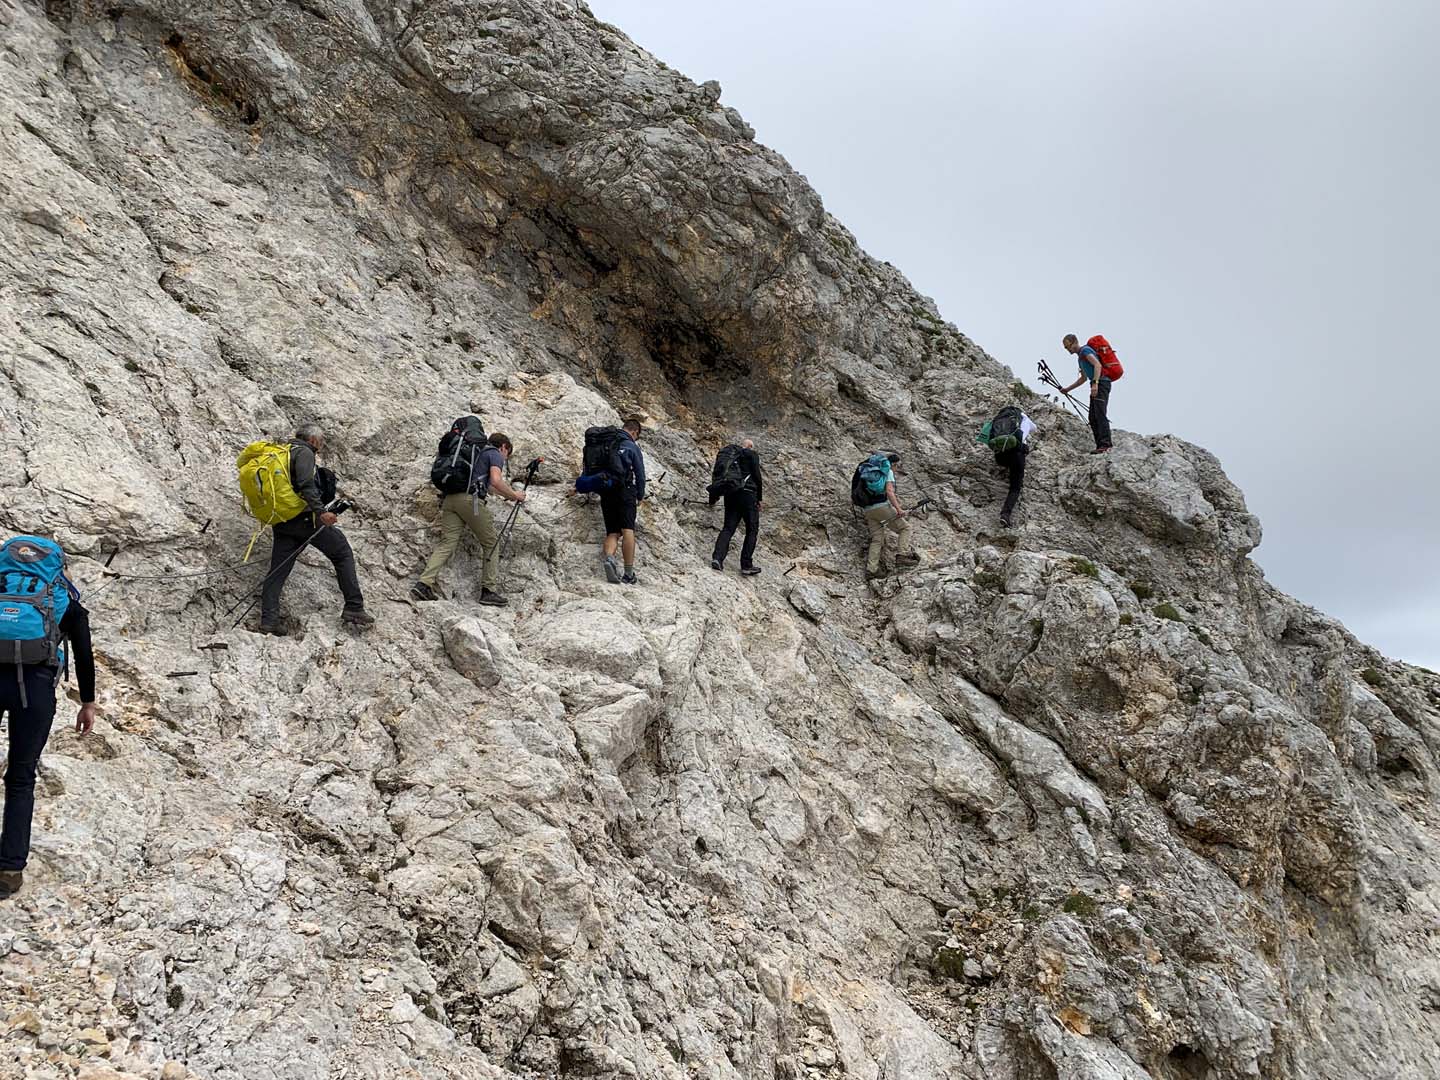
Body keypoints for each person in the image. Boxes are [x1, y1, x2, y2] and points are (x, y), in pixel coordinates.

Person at [0, 536, 97, 900]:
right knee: (21, 777)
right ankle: (9, 869)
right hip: (36, 690)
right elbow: (84, 655)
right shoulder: (62, 600)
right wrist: (87, 703)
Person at [259, 423, 373, 634]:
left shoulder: (283, 453)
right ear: (312, 440)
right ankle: (354, 607)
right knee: (341, 552)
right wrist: (322, 512)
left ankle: (269, 621)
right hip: (305, 520)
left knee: (277, 572)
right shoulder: (304, 452)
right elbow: (306, 484)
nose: (320, 445)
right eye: (320, 442)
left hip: (282, 521)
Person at [411, 432, 526, 607]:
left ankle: (423, 583)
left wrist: (509, 496)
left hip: (451, 499)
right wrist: (516, 494)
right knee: (491, 543)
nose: (505, 458)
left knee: (447, 543)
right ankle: (489, 590)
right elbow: (495, 480)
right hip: (470, 502)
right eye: (507, 454)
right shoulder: (494, 453)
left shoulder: (476, 454)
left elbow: (488, 486)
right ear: (504, 447)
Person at [854, 451, 920, 579]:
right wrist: (899, 509)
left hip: (868, 510)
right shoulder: (887, 471)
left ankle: (871, 570)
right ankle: (902, 555)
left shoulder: (868, 472)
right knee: (905, 528)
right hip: (882, 507)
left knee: (877, 539)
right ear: (893, 464)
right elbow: (889, 492)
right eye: (897, 466)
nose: (896, 469)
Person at [601, 418, 646, 585]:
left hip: (607, 490)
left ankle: (610, 559)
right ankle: (628, 573)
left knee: (612, 532)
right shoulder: (631, 446)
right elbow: (640, 474)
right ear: (634, 432)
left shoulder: (607, 442)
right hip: (625, 491)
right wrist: (640, 495)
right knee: (628, 530)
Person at [709, 439, 763, 576]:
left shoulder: (731, 455)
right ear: (750, 446)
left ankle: (717, 558)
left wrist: (713, 498)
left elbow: (718, 475)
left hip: (731, 494)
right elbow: (757, 475)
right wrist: (759, 498)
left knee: (728, 528)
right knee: (752, 529)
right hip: (748, 495)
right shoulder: (751, 454)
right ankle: (746, 565)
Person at [978, 407, 1037, 528]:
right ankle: (1005, 514)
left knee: (1008, 462)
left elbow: (986, 438)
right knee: (1015, 487)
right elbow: (1034, 428)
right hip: (1016, 454)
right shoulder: (1023, 418)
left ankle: (1006, 467)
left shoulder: (998, 419)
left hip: (999, 457)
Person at [1059, 333, 1112, 453]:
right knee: (1092, 417)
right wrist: (1067, 389)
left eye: (1067, 346)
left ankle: (1106, 445)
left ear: (1074, 342)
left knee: (1099, 413)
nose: (1067, 349)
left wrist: (1095, 383)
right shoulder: (1080, 358)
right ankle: (1100, 446)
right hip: (1097, 384)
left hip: (1101, 383)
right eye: (1065, 347)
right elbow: (1083, 378)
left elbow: (1097, 365)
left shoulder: (1085, 351)